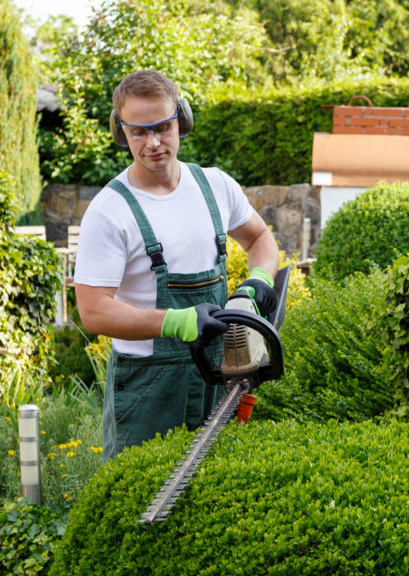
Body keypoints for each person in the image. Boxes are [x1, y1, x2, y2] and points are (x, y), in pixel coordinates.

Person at [74, 70, 279, 461]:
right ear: (122, 133)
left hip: (221, 374)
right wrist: (176, 322)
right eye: (139, 132)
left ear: (181, 120)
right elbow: (93, 311)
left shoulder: (215, 186)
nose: (153, 142)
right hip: (149, 388)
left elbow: (259, 239)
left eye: (163, 127)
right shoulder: (110, 210)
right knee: (137, 502)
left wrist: (258, 281)